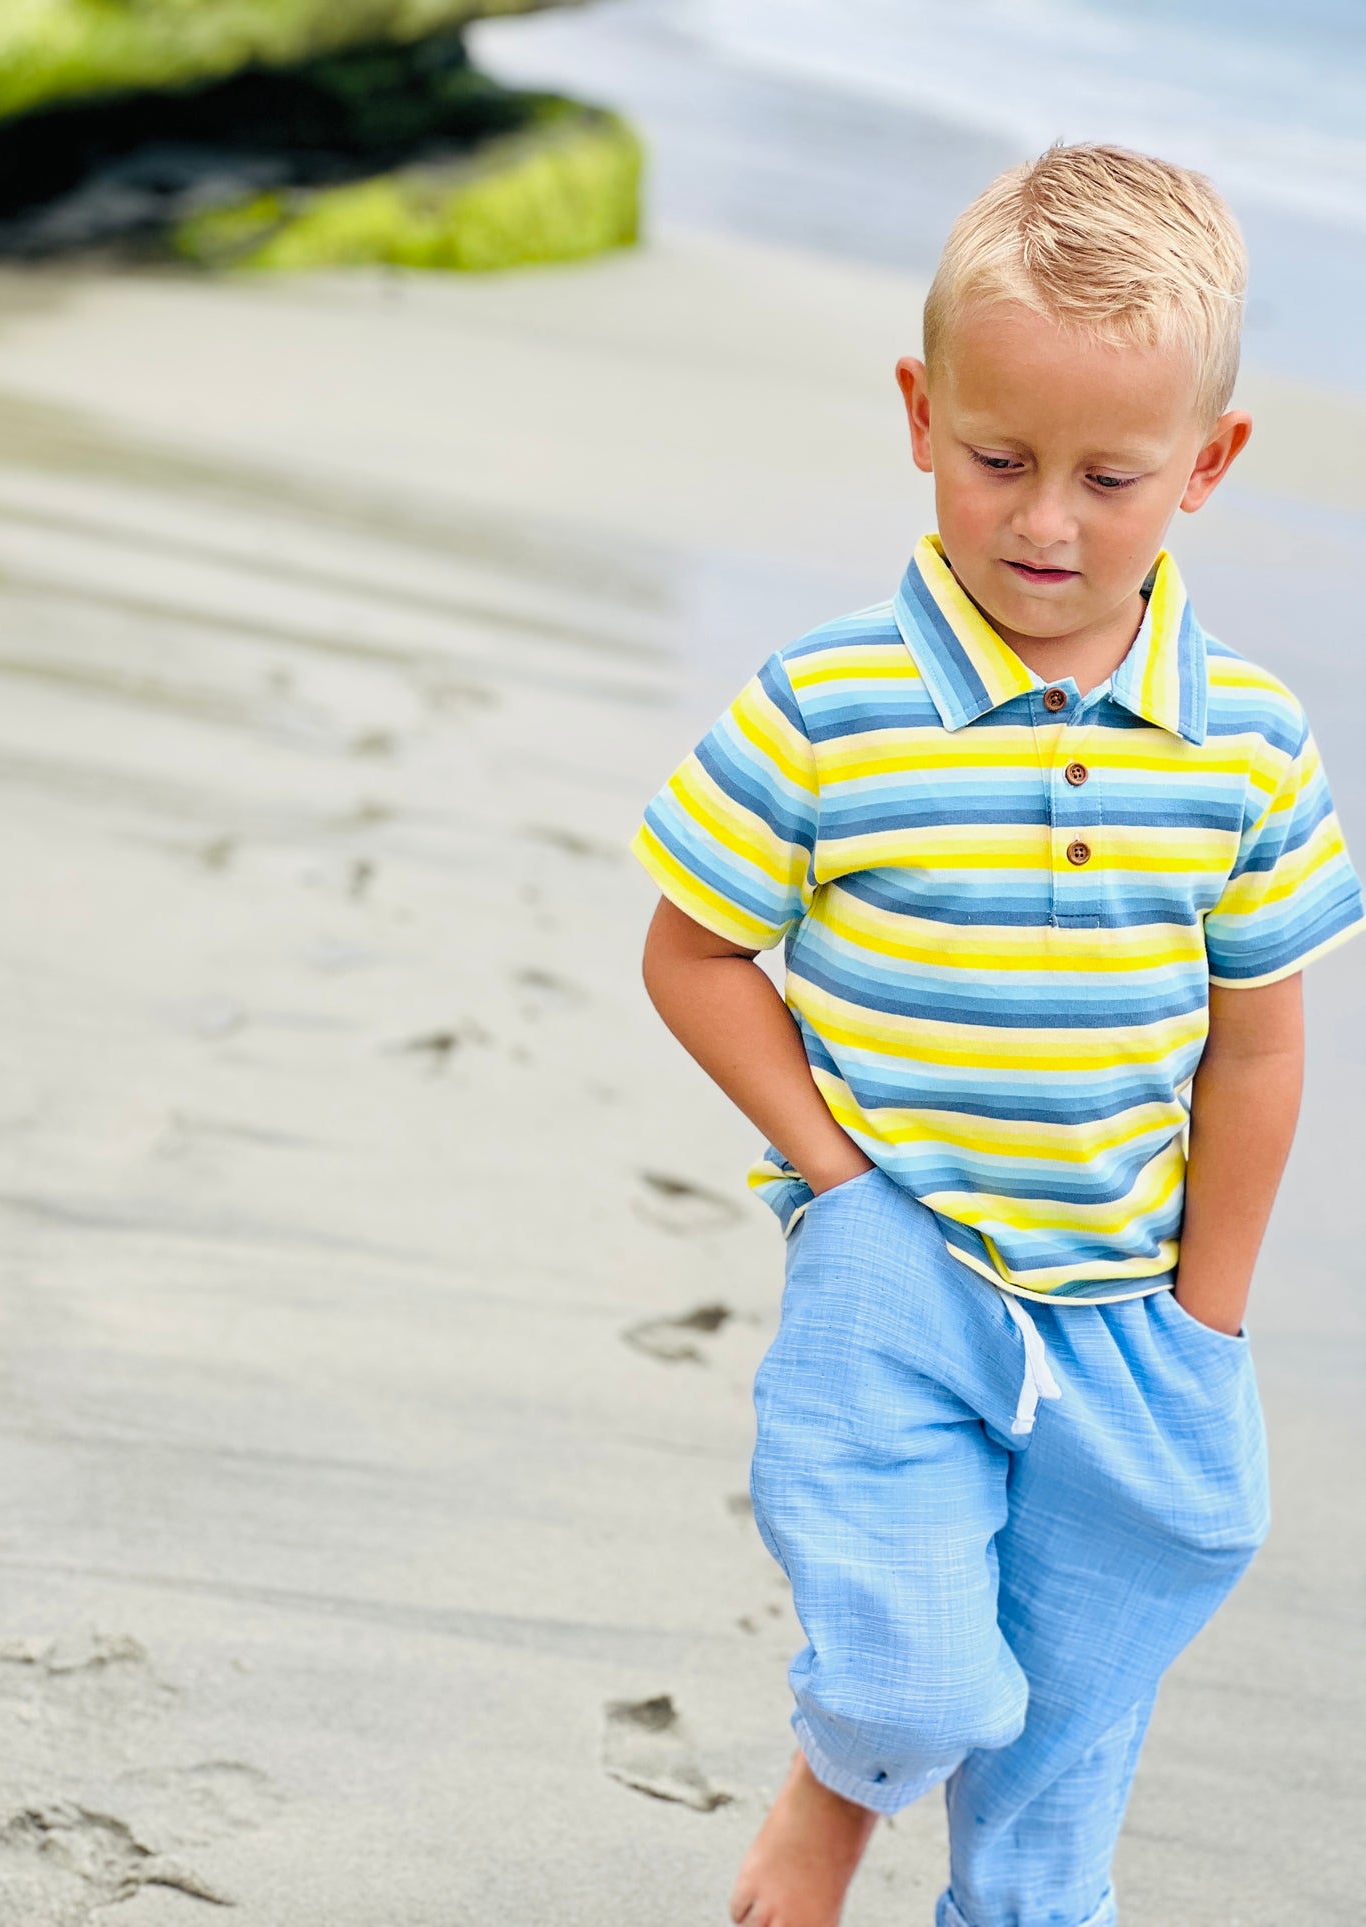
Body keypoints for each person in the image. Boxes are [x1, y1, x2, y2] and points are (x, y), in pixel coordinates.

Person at [630, 144, 1364, 1927]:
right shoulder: (830, 704)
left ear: (1207, 464)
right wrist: (842, 1190)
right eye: (997, 459)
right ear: (918, 412)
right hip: (901, 1274)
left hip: (1126, 1299)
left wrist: (1208, 1312)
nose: (1044, 522)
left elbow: (1254, 1050)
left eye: (1110, 478)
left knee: (1060, 1780)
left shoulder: (1245, 748)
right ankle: (830, 1796)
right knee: (911, 1676)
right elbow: (692, 954)